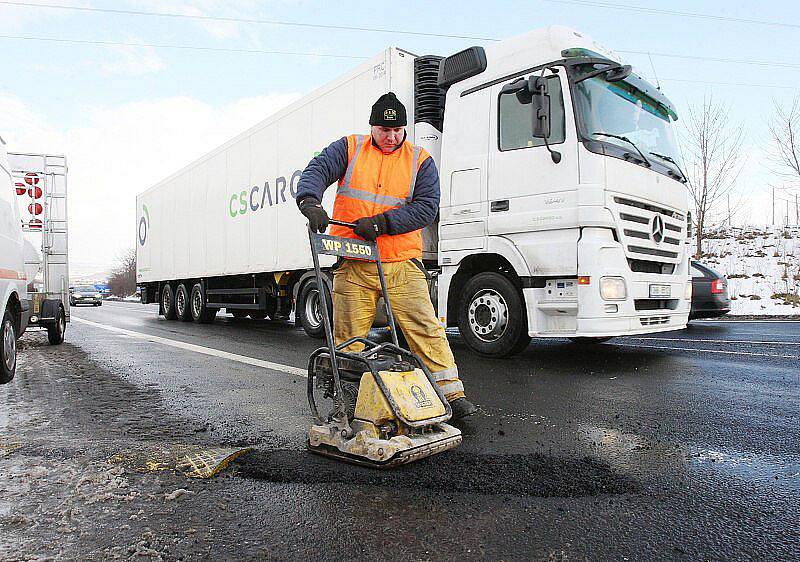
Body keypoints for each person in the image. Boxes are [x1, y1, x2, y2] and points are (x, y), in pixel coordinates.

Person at [295, 92, 477, 419]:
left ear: (404, 128)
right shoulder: (350, 148)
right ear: (372, 127)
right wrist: (310, 201)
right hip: (353, 262)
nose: (391, 137)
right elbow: (318, 168)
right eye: (384, 130)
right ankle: (347, 400)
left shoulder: (420, 160)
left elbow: (426, 208)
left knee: (426, 328)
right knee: (348, 336)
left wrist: (383, 223)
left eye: (397, 130)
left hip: (402, 264)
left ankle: (452, 396)